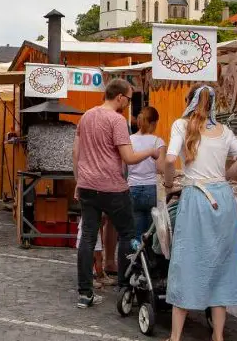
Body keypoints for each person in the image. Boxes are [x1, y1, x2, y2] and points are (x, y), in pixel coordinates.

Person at [164, 85, 237, 341]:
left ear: (189, 101)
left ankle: (176, 336)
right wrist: (224, 177)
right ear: (213, 104)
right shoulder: (224, 131)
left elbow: (169, 160)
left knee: (187, 261)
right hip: (222, 198)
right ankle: (218, 335)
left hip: (196, 198)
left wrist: (169, 185)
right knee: (221, 265)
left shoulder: (181, 125)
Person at [73, 79, 161, 309]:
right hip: (112, 187)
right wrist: (151, 151)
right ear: (120, 97)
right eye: (129, 99)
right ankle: (125, 285)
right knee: (128, 234)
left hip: (87, 185)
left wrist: (78, 181)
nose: (129, 103)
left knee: (89, 237)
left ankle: (84, 293)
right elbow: (129, 158)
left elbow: (77, 152)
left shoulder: (86, 116)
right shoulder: (117, 120)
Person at [127, 106, 164, 240]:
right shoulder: (157, 142)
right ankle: (149, 260)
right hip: (152, 188)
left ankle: (136, 259)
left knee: (135, 232)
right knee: (151, 234)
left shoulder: (128, 140)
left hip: (133, 187)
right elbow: (160, 168)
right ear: (154, 123)